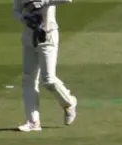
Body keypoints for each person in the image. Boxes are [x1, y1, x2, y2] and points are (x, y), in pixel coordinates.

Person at [14, 0, 77, 132]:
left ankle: (69, 103)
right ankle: (33, 121)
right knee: (28, 79)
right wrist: (23, 18)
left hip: (47, 36)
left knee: (48, 79)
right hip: (29, 38)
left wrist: (44, 1)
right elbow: (16, 10)